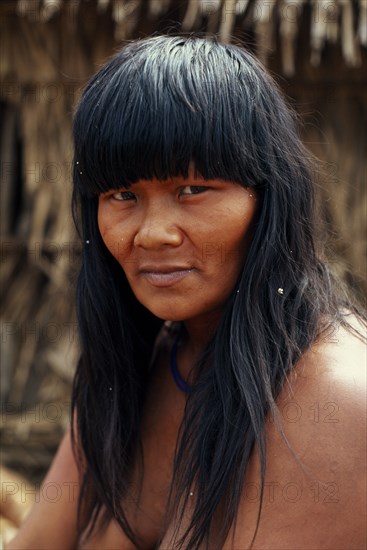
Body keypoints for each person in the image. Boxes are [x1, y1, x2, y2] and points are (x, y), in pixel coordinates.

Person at [7, 35, 366, 550]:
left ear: (267, 201)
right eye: (123, 195)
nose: (153, 233)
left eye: (193, 190)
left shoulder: (335, 403)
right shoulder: (147, 362)